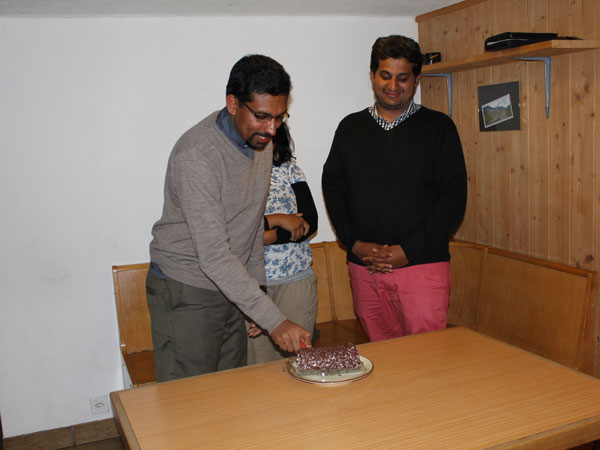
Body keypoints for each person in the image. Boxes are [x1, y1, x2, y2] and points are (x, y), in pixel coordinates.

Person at [147, 54, 311, 382]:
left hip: (232, 285)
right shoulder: (197, 155)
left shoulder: (261, 142)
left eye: (279, 117)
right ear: (233, 103)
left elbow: (250, 226)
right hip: (187, 288)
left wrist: (257, 295)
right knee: (189, 397)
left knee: (230, 391)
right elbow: (213, 256)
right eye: (262, 116)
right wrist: (274, 320)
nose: (271, 129)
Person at [321, 35, 467, 342]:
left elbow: (453, 199)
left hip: (423, 265)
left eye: (403, 78)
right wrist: (354, 244)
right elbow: (333, 187)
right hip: (365, 267)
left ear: (416, 79)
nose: (392, 85)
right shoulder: (350, 128)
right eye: (385, 75)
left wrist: (408, 251)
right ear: (372, 75)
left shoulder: (439, 128)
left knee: (427, 355)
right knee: (382, 357)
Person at [247, 123, 319, 364]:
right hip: (250, 287)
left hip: (296, 280)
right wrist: (280, 220)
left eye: (271, 135)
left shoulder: (290, 171)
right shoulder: (234, 173)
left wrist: (264, 236)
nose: (264, 141)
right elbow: (234, 231)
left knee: (297, 363)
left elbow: (309, 224)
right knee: (256, 369)